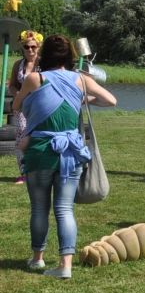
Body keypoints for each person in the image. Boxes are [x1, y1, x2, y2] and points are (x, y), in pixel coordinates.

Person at [13, 34, 117, 279]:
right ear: (70, 56)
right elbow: (111, 100)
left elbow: (17, 106)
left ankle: (38, 259)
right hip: (71, 149)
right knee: (64, 208)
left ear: (43, 54)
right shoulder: (81, 79)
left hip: (40, 150)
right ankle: (65, 265)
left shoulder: (34, 78)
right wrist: (79, 98)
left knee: (39, 207)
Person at [7, 29, 43, 184]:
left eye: (33, 47)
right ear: (22, 48)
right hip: (22, 106)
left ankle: (39, 169)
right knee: (22, 133)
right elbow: (12, 85)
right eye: (27, 47)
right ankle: (24, 171)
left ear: (38, 47)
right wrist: (18, 95)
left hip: (40, 105)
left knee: (39, 135)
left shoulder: (44, 64)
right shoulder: (18, 65)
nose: (30, 50)